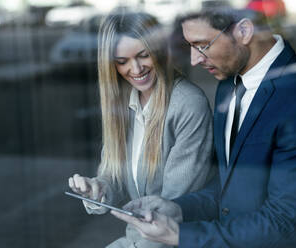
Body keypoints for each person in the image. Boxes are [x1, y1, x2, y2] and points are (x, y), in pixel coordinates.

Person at [111, 7, 296, 248]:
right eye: (189, 47)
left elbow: (284, 221)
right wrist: (179, 209)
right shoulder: (228, 83)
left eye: (202, 45)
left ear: (244, 31)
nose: (194, 59)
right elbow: (232, 186)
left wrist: (179, 235)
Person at [68, 11, 214, 248]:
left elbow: (169, 212)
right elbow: (115, 177)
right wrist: (98, 188)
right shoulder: (125, 101)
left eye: (143, 55)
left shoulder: (187, 103)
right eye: (122, 61)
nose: (135, 69)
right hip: (140, 240)